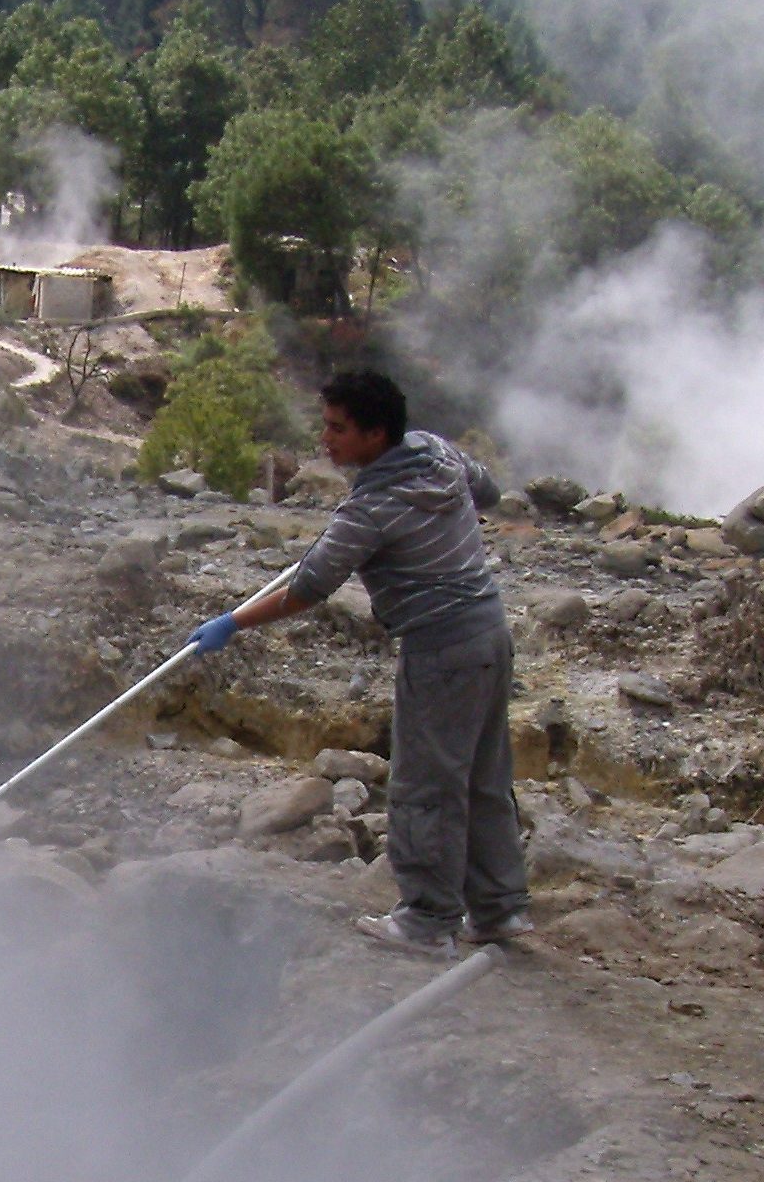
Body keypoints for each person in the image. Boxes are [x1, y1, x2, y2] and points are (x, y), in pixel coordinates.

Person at [187, 368, 531, 954]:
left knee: (425, 785)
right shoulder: (435, 452)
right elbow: (488, 492)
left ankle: (428, 922)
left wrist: (233, 622)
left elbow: (308, 589)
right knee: (481, 777)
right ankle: (499, 910)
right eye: (326, 425)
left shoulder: (370, 510)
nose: (326, 439)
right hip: (488, 634)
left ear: (375, 434)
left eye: (338, 429)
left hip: (441, 649)